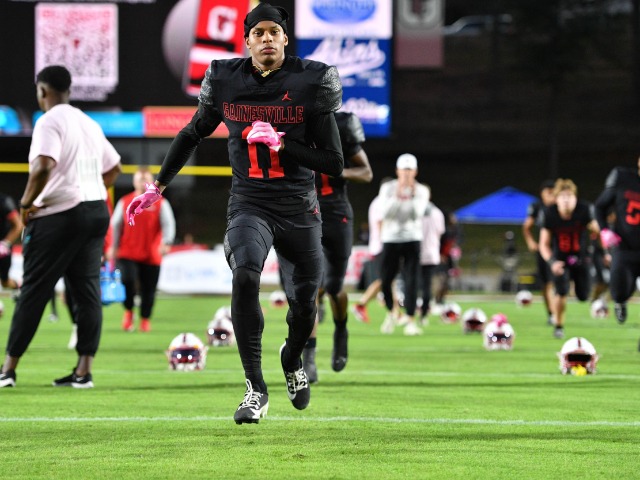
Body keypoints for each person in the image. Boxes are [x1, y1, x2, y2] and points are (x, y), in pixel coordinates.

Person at [125, 3, 343, 423]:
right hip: (250, 203)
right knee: (244, 275)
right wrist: (157, 186)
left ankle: (292, 357)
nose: (266, 38)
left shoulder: (310, 82)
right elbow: (193, 132)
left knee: (304, 309)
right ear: (246, 41)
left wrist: (283, 143)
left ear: (285, 38)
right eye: (258, 32)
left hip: (299, 208)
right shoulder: (225, 79)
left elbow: (333, 162)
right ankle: (255, 388)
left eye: (273, 31)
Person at [0, 65, 121, 388]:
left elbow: (43, 165)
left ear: (42, 90)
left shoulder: (49, 120)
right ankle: (83, 372)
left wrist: (26, 204)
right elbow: (114, 168)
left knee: (34, 291)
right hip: (94, 210)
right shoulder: (88, 122)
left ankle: (8, 369)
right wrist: (87, 189)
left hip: (59, 215)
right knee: (87, 292)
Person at [302, 111, 373, 383]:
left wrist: (338, 170)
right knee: (310, 288)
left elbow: (366, 172)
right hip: (305, 212)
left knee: (333, 287)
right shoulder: (293, 123)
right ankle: (309, 357)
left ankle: (341, 329)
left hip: (336, 213)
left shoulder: (341, 127)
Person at [108, 167, 176, 333]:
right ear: (134, 181)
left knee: (149, 289)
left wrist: (166, 242)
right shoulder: (125, 201)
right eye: (139, 179)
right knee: (128, 281)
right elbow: (115, 226)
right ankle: (129, 311)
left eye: (145, 179)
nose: (142, 182)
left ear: (152, 182)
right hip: (127, 252)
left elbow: (169, 224)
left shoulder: (160, 203)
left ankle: (145, 319)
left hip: (151, 254)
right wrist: (112, 246)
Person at [539, 179, 599, 339]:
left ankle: (575, 286)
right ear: (556, 199)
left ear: (576, 198)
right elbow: (543, 244)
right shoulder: (549, 213)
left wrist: (603, 247)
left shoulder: (585, 210)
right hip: (560, 259)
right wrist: (552, 262)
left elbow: (599, 232)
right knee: (561, 291)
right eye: (563, 196)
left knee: (583, 295)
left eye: (570, 196)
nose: (566, 200)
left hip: (581, 257)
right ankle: (558, 326)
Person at [378, 154, 430, 336]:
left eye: (410, 170)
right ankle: (392, 312)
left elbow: (417, 214)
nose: (406, 174)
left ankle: (410, 318)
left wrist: (412, 195)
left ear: (415, 171)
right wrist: (398, 195)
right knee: (385, 279)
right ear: (397, 171)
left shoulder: (421, 190)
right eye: (404, 170)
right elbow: (385, 214)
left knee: (412, 280)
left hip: (412, 238)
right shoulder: (388, 188)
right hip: (390, 238)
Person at [594, 156, 640, 328]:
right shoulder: (623, 178)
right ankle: (620, 302)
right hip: (624, 246)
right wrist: (604, 230)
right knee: (620, 291)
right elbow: (600, 206)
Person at [352, 177, 394, 324]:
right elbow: (382, 223)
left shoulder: (377, 201)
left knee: (389, 279)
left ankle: (394, 311)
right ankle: (361, 304)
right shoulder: (382, 202)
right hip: (382, 245)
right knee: (384, 279)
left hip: (378, 245)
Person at [522, 179, 557, 325]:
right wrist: (531, 242)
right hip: (544, 249)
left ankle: (555, 313)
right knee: (546, 283)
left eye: (553, 192)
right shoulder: (537, 207)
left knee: (556, 283)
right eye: (548, 192)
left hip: (559, 249)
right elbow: (527, 226)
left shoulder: (560, 206)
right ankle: (551, 313)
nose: (551, 196)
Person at [418, 196, 445, 325]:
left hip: (416, 252)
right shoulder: (437, 212)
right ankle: (424, 314)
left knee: (412, 283)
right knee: (427, 284)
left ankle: (410, 313)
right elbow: (440, 232)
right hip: (431, 252)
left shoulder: (414, 209)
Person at [0, 192, 23, 293]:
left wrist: (5, 243)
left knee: (5, 283)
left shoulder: (3, 201)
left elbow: (18, 225)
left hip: (3, 249)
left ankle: (19, 288)